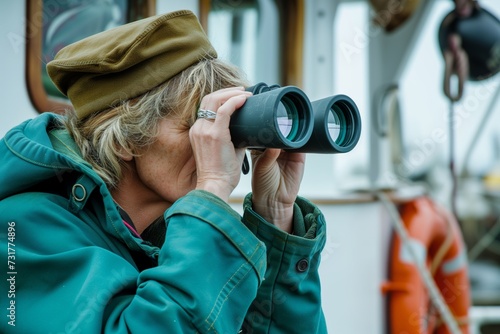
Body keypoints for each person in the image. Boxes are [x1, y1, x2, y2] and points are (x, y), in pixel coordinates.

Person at [0, 9, 327, 333]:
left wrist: (275, 218)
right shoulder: (24, 231)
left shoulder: (176, 236)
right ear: (125, 140)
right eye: (198, 123)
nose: (215, 140)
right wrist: (211, 188)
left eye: (223, 126)